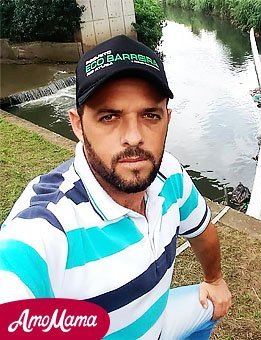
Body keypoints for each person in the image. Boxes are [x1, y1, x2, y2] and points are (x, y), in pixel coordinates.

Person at [0, 35, 232, 338]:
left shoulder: (170, 174)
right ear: (78, 125)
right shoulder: (47, 225)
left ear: (167, 119)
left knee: (211, 307)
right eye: (109, 116)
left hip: (160, 321)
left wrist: (214, 279)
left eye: (150, 115)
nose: (134, 137)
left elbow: (201, 230)